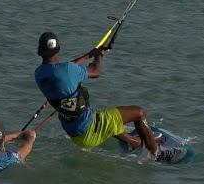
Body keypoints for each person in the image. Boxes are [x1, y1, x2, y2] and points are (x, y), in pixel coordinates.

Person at [33, 32, 185, 163]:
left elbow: (66, 69)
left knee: (107, 118)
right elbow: (95, 71)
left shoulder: (40, 73)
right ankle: (156, 154)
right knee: (139, 112)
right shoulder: (67, 70)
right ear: (58, 49)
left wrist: (89, 55)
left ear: (41, 52)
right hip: (89, 129)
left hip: (74, 133)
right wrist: (99, 56)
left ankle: (134, 143)